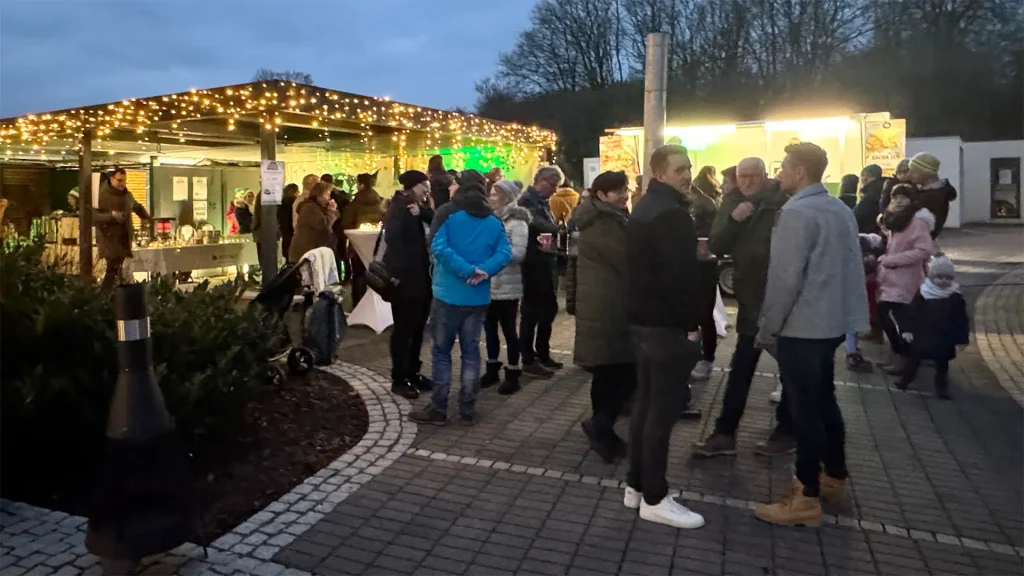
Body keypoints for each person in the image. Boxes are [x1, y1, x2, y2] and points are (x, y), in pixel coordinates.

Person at [753, 142, 869, 527]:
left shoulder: (796, 212)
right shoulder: (839, 208)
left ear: (800, 171)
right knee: (825, 401)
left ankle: (804, 497)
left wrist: (768, 328)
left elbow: (784, 279)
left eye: (783, 166)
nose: (779, 173)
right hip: (832, 323)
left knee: (805, 413)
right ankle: (834, 476)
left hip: (802, 327)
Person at [623, 144, 705, 529]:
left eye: (688, 167)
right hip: (664, 324)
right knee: (661, 410)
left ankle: (637, 485)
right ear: (659, 173)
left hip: (643, 321)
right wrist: (692, 324)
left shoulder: (644, 206)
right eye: (678, 169)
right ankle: (654, 496)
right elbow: (679, 280)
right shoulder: (671, 214)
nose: (686, 174)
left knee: (645, 405)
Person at [692, 158, 796, 459]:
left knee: (790, 367)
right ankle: (725, 433)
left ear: (765, 176)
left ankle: (786, 431)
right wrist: (736, 219)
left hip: (781, 298)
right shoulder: (733, 200)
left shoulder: (783, 202)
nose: (748, 182)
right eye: (742, 176)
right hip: (750, 299)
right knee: (740, 369)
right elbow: (717, 244)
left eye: (754, 176)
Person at [409, 170, 512, 426]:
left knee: (442, 352)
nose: (451, 186)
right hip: (478, 297)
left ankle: (439, 408)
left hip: (448, 294)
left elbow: (438, 246)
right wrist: (484, 270)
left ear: (462, 186)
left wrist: (466, 271)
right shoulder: (493, 219)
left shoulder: (447, 213)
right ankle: (467, 407)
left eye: (455, 183)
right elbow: (505, 251)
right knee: (471, 352)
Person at [566, 170, 635, 463]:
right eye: (618, 190)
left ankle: (603, 428)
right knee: (613, 372)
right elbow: (628, 260)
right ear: (601, 195)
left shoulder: (609, 219)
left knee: (614, 372)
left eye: (625, 188)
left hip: (608, 307)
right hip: (607, 309)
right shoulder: (602, 224)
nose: (625, 194)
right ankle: (600, 428)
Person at [384, 171, 436, 400]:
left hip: (420, 279)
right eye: (424, 185)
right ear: (413, 186)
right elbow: (393, 241)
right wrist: (401, 275)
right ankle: (399, 378)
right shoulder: (400, 208)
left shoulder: (415, 207)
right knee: (404, 330)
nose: (428, 189)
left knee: (416, 329)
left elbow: (435, 219)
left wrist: (423, 211)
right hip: (406, 281)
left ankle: (413, 372)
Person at [876, 184, 935, 375]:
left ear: (912, 200)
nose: (898, 201)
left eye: (903, 197)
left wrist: (892, 261)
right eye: (895, 198)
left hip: (906, 279)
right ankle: (900, 354)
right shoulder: (894, 220)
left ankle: (906, 358)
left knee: (899, 320)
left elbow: (924, 250)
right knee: (885, 316)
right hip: (890, 279)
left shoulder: (917, 221)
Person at [480, 180, 531, 395]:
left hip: (507, 285)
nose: (491, 198)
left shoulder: (517, 222)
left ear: (505, 197)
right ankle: (492, 368)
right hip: (489, 283)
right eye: (490, 194)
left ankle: (513, 372)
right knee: (490, 330)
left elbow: (519, 253)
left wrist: (493, 253)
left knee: (509, 330)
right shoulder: (492, 220)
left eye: (494, 194)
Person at [896, 253, 969, 399]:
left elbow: (961, 320)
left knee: (942, 366)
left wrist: (962, 340)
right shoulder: (923, 293)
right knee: (913, 360)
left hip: (944, 338)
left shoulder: (955, 297)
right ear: (931, 277)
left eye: (947, 278)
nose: (943, 281)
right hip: (923, 335)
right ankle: (905, 380)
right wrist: (907, 330)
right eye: (939, 277)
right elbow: (911, 313)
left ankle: (942, 389)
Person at [518, 166, 565, 377]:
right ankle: (528, 357)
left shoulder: (541, 202)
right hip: (532, 263)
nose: (554, 190)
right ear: (539, 180)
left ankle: (542, 352)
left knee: (548, 309)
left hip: (545, 261)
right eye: (551, 185)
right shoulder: (526, 201)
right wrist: (558, 229)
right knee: (532, 311)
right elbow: (537, 225)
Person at [688, 170, 721, 382]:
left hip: (701, 266)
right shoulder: (707, 203)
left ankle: (704, 359)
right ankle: (702, 358)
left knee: (701, 316)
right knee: (701, 316)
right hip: (703, 265)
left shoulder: (702, 205)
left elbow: (704, 241)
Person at [95, 167, 151, 291]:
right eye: (120, 181)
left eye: (124, 181)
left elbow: (135, 206)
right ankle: (106, 296)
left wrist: (146, 217)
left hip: (124, 238)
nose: (122, 184)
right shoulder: (101, 195)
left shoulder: (126, 194)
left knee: (119, 270)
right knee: (112, 269)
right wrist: (111, 216)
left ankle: (117, 296)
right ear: (111, 178)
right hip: (109, 239)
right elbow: (93, 217)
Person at [341, 173, 385, 303]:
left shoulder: (355, 204)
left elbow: (346, 224)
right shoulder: (380, 201)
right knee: (376, 273)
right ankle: (376, 304)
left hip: (358, 245)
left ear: (361, 185)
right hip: (377, 244)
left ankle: (359, 304)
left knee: (359, 274)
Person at [908, 152, 958, 239]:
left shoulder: (934, 197)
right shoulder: (925, 191)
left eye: (913, 171)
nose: (909, 175)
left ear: (926, 172)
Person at [289, 181, 339, 262]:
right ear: (319, 195)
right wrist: (331, 211)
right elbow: (323, 225)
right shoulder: (310, 207)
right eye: (327, 194)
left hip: (313, 251)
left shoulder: (319, 208)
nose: (329, 198)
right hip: (306, 252)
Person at [323, 174, 352, 279]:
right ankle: (347, 274)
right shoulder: (343, 195)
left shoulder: (332, 196)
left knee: (336, 253)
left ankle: (338, 276)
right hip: (342, 226)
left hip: (335, 227)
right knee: (342, 252)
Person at [854, 164, 885, 234]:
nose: (864, 178)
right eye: (863, 175)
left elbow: (856, 215)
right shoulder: (879, 190)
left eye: (869, 176)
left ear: (877, 178)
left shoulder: (872, 194)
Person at [278, 183, 299, 263]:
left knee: (287, 255)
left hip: (285, 232)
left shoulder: (281, 203)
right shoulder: (295, 202)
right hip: (293, 232)